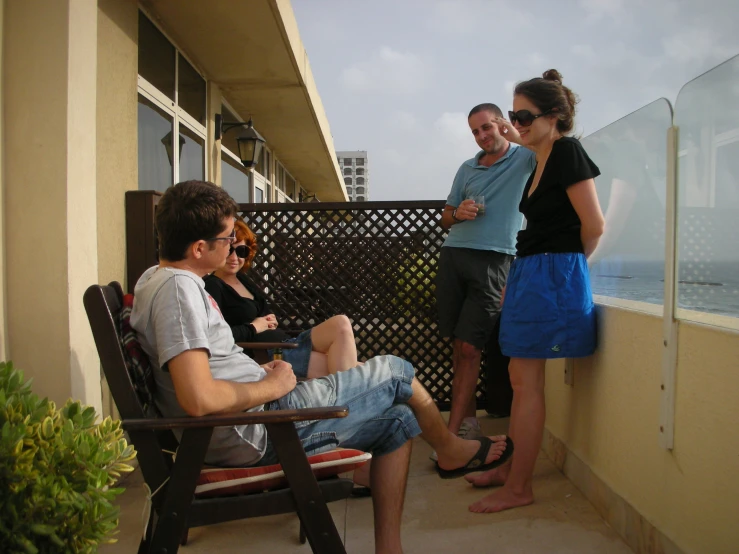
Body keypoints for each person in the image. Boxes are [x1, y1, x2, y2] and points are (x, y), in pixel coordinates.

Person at [130, 180, 513, 554]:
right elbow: (198, 398)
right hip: (260, 429)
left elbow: (210, 372)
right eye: (228, 238)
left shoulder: (158, 277)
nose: (233, 245)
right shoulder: (178, 291)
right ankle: (449, 449)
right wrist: (273, 386)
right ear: (199, 248)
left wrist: (261, 376)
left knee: (398, 420)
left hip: (253, 417)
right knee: (395, 370)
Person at [466, 70, 605, 514]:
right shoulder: (539, 157)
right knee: (518, 379)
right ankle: (512, 470)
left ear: (555, 115)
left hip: (552, 275)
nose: (516, 124)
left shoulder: (567, 152)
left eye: (523, 116)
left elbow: (594, 225)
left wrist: (565, 274)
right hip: (530, 273)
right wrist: (522, 278)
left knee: (526, 385)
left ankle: (519, 485)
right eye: (512, 115)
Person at [436, 103, 536, 446]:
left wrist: (514, 133)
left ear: (500, 124)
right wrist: (458, 213)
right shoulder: (467, 167)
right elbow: (445, 216)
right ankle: (467, 424)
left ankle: (452, 435)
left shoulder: (523, 159)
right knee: (458, 345)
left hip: (495, 260)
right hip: (454, 255)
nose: (481, 136)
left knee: (470, 347)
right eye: (475, 132)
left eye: (486, 128)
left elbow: (551, 146)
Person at [204, 219, 358, 379]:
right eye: (230, 250)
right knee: (355, 370)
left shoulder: (243, 280)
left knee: (341, 323)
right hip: (269, 354)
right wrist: (254, 327)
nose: (235, 257)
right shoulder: (213, 286)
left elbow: (263, 313)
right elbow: (218, 337)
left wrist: (270, 320)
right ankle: (345, 398)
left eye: (241, 251)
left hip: (286, 343)